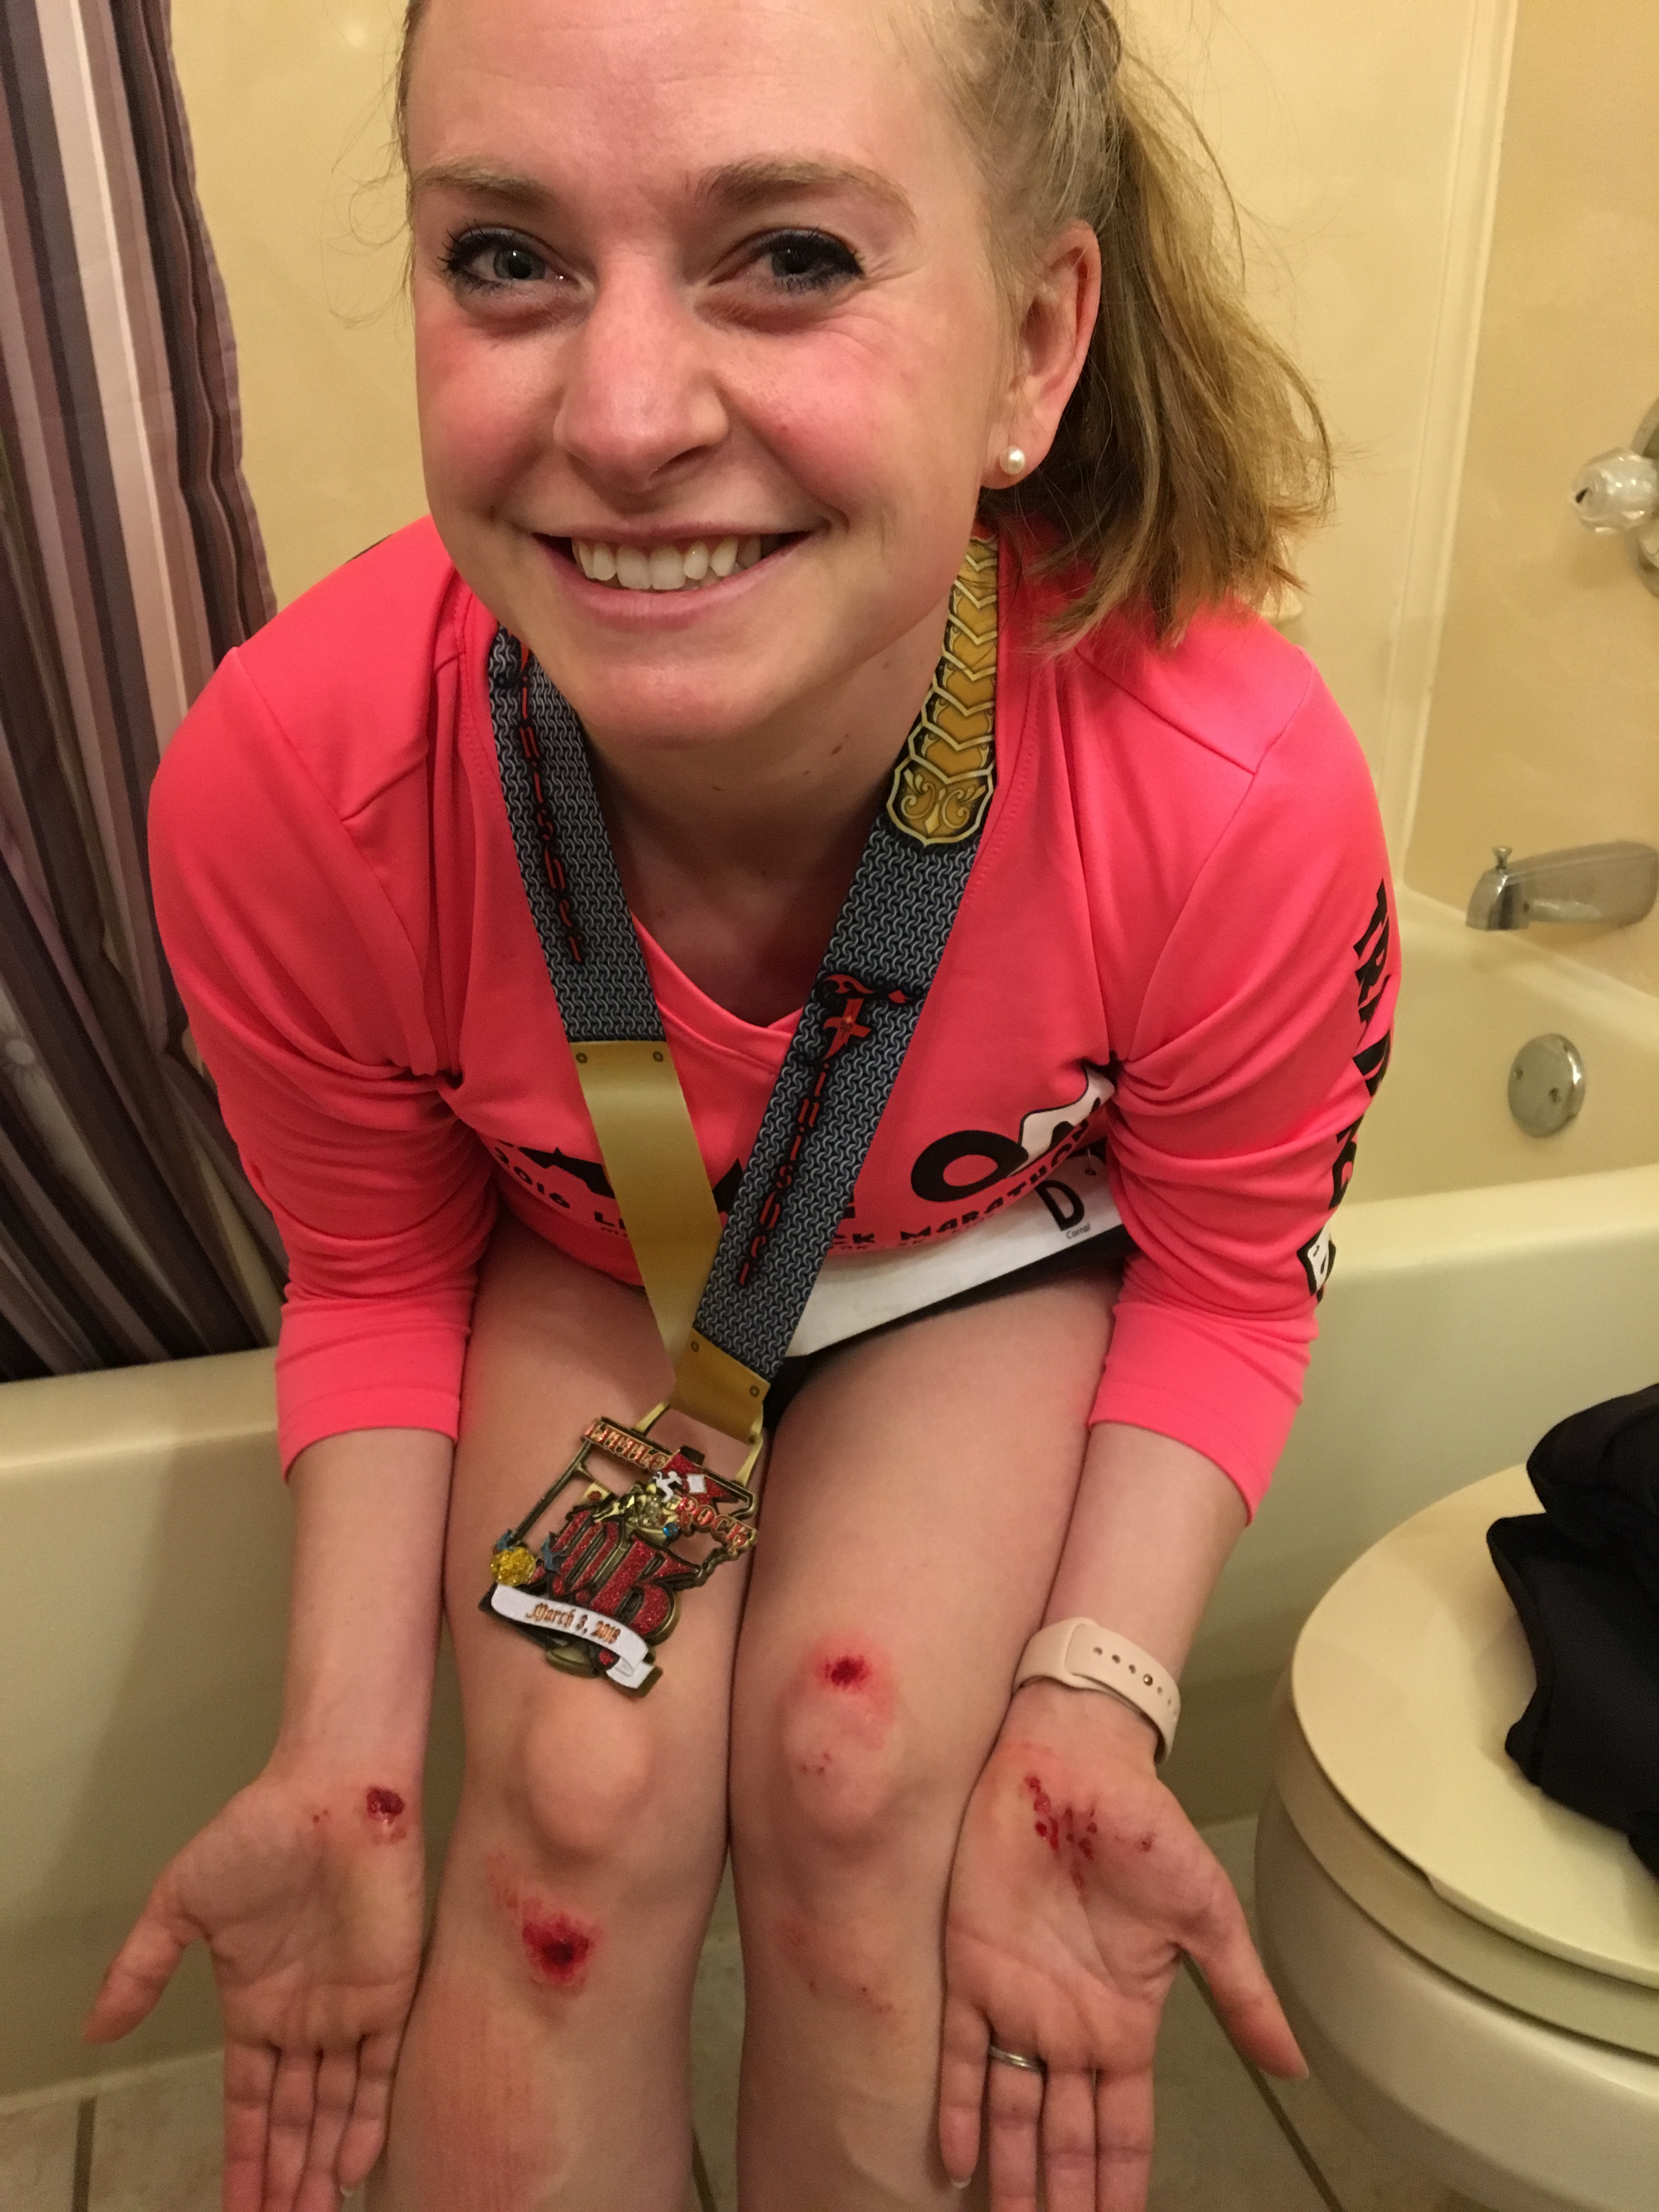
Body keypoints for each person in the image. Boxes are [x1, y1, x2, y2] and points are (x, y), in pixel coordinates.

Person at [84, 0, 1398, 2206]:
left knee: (861, 1766)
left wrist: (1094, 1698)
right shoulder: (296, 784)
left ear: (1035, 348)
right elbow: (378, 1274)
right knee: (571, 1812)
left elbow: (1233, 1285)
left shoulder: (1228, 789)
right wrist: (347, 1763)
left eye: (790, 256)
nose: (621, 421)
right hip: (605, 1248)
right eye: (507, 256)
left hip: (975, 1263)